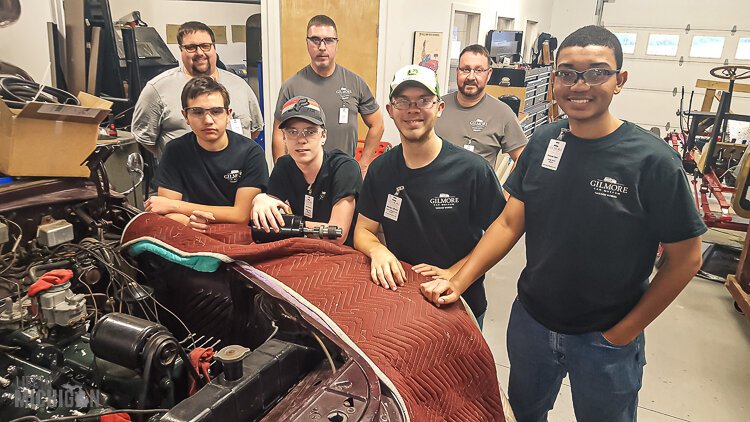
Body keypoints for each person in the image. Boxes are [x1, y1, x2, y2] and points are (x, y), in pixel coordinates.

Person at [420, 25, 706, 421]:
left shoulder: (653, 162)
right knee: (524, 411)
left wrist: (622, 333)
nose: (580, 85)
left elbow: (686, 259)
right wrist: (459, 278)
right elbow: (508, 223)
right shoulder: (543, 142)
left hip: (605, 337)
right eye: (568, 73)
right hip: (532, 324)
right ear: (554, 79)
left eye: (596, 72)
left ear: (619, 81)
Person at [354, 65, 505, 326]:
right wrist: (378, 251)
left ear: (439, 107)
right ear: (390, 111)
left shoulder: (472, 170)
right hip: (404, 299)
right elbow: (363, 230)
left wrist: (453, 274)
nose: (413, 109)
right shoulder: (381, 170)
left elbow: (499, 236)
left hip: (460, 303)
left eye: (424, 100)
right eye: (403, 101)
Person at [145, 76, 268, 227]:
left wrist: (176, 207)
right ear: (185, 116)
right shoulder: (175, 151)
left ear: (228, 114)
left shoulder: (251, 152)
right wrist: (187, 221)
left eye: (216, 111)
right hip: (191, 230)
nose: (208, 120)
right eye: (197, 112)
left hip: (238, 234)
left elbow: (240, 215)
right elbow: (165, 212)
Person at [272, 15, 384, 176]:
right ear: (307, 43)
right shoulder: (291, 87)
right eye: (315, 40)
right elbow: (278, 133)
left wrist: (364, 163)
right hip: (302, 174)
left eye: (329, 40)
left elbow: (378, 124)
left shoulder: (355, 83)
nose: (322, 47)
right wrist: (281, 172)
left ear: (337, 44)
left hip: (343, 173)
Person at [132, 21, 263, 158]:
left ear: (214, 48)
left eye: (205, 46)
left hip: (236, 174)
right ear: (181, 50)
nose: (200, 53)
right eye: (191, 47)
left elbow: (254, 130)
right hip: (182, 175)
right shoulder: (157, 88)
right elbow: (145, 138)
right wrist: (174, 159)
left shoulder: (239, 85)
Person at [251, 96, 362, 246]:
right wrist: (261, 200)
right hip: (300, 247)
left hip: (343, 253)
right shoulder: (283, 166)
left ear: (323, 136)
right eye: (292, 132)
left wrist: (291, 226)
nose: (301, 140)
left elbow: (337, 234)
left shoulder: (345, 167)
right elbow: (266, 225)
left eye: (310, 132)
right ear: (284, 137)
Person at [435, 44, 527, 169]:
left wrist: (508, 188)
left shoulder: (502, 113)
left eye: (478, 70)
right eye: (465, 69)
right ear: (457, 71)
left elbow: (523, 160)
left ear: (488, 74)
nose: (471, 77)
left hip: (478, 188)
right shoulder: (437, 107)